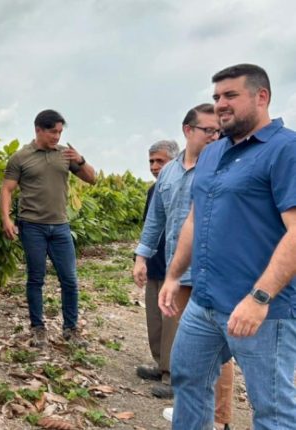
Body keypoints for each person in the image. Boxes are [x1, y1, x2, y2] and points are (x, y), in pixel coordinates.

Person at [159, 64, 296, 429]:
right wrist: (174, 275)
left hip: (261, 311)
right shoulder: (212, 153)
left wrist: (259, 298)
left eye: (231, 95)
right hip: (204, 303)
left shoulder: (286, 150)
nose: (220, 103)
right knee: (188, 381)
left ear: (261, 97)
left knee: (272, 410)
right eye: (217, 96)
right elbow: (194, 217)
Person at [134, 104, 235, 429]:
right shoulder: (170, 173)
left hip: (214, 272)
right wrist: (142, 257)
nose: (215, 136)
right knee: (190, 347)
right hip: (178, 273)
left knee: (219, 348)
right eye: (208, 130)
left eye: (218, 131)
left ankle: (220, 419)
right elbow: (156, 220)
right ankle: (192, 410)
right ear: (188, 130)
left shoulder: (224, 166)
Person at [0, 109, 96, 347]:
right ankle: (38, 328)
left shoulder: (66, 154)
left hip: (60, 226)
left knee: (70, 280)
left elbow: (92, 179)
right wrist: (6, 219)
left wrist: (80, 159)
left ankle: (71, 329)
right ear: (38, 130)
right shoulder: (20, 157)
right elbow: (7, 190)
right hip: (32, 226)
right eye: (53, 131)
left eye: (60, 132)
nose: (57, 136)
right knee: (36, 278)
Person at [133, 139, 179, 381]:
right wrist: (139, 259)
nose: (154, 166)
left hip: (175, 264)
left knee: (172, 320)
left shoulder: (184, 186)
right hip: (154, 262)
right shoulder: (153, 191)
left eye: (160, 161)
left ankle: (173, 372)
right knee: (155, 318)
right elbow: (149, 229)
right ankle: (160, 363)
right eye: (151, 161)